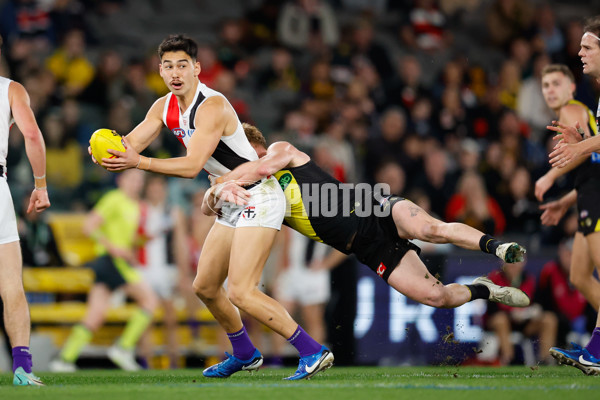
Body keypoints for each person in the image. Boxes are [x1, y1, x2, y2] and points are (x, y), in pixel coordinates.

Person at [95, 34, 332, 380]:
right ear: (160, 71)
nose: (176, 73)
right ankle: (245, 353)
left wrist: (139, 163)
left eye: (183, 65)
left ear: (197, 69)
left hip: (260, 194)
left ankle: (313, 350)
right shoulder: (163, 107)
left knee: (241, 291)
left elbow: (192, 167)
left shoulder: (213, 106)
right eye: (168, 66)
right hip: (232, 198)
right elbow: (129, 143)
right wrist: (106, 150)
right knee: (205, 286)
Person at [206, 124, 530, 318]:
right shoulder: (254, 192)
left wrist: (222, 182)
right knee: (437, 297)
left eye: (246, 152)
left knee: (431, 230)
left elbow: (261, 168)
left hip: (372, 208)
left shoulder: (278, 150)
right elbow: (211, 211)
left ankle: (498, 247)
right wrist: (218, 191)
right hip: (366, 247)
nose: (246, 160)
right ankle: (485, 290)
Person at [49, 169, 158, 372]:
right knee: (149, 301)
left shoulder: (137, 207)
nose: (137, 183)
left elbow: (126, 239)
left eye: (140, 180)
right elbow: (89, 226)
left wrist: (134, 247)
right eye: (133, 179)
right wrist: (113, 247)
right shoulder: (114, 199)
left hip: (117, 262)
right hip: (110, 260)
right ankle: (123, 348)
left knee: (96, 313)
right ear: (121, 180)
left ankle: (64, 359)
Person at [540, 18, 600, 375]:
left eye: (587, 47)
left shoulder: (578, 105)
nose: (579, 52)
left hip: (596, 193)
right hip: (590, 193)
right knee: (580, 274)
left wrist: (575, 153)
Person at [0, 33, 50, 386]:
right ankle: (22, 368)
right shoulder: (11, 90)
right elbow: (32, 136)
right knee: (10, 284)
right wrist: (41, 185)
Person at [136, 175, 188, 369]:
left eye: (160, 187)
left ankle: (173, 358)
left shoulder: (173, 212)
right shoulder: (139, 209)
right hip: (143, 269)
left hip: (166, 269)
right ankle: (145, 360)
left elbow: (180, 243)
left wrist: (183, 273)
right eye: (153, 187)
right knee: (145, 316)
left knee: (170, 317)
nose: (157, 190)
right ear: (147, 189)